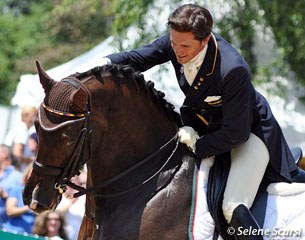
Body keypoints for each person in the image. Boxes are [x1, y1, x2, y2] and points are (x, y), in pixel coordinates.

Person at [102, 3, 305, 239]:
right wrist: (100, 68)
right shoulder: (177, 41)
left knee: (233, 206)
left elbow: (236, 133)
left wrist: (199, 145)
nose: (177, 51)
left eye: (185, 46)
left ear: (205, 39)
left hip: (250, 135)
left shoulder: (232, 68)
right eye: (174, 43)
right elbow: (136, 58)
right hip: (211, 129)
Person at [2, 164, 36, 234]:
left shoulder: (42, 194)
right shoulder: (17, 190)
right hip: (13, 233)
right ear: (28, 174)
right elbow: (10, 211)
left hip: (32, 234)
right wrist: (29, 207)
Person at [4, 106, 37, 172]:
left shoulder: (19, 127)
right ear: (26, 116)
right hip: (14, 170)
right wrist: (31, 160)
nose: (36, 118)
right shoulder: (23, 130)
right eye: (34, 115)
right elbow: (17, 154)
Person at [56, 170, 86, 240]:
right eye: (69, 182)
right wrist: (70, 202)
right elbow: (56, 214)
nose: (71, 185)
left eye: (75, 182)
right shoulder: (60, 197)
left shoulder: (83, 198)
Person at [0, 144, 22, 226]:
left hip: (6, 228)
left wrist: (5, 196)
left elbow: (22, 203)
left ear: (5, 153)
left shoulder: (17, 177)